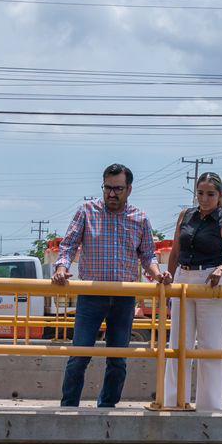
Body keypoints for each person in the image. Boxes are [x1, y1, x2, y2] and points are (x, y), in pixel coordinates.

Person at [53, 164, 171, 407]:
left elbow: (148, 255)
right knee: (79, 355)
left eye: (118, 189)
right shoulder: (87, 211)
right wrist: (61, 269)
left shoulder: (140, 218)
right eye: (107, 188)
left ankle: (107, 407)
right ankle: (69, 406)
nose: (111, 194)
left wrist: (158, 274)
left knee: (118, 358)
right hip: (91, 294)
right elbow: (68, 245)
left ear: (129, 189)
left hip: (124, 297)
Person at [163, 172, 222, 410]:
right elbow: (175, 251)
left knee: (211, 345)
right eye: (200, 193)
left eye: (210, 194)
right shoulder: (185, 216)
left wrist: (221, 268)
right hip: (183, 276)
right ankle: (174, 400)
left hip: (211, 279)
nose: (205, 199)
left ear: (220, 196)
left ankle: (210, 405)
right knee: (178, 343)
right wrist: (168, 279)